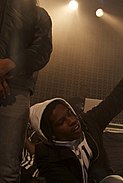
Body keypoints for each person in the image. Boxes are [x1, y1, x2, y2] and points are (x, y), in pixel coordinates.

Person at [29, 25, 123, 183]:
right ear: (51, 134)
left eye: (69, 113)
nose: (72, 120)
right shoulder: (47, 155)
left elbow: (119, 95)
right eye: (61, 122)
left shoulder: (89, 123)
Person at [0, 0, 52, 181]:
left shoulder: (39, 14)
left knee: (7, 167)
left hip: (16, 88)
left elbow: (42, 50)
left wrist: (10, 65)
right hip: (15, 89)